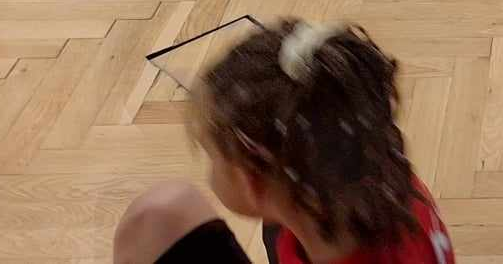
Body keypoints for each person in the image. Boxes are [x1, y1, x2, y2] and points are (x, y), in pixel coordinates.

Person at [111, 20, 452, 264]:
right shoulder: (371, 172)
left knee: (158, 217)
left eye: (212, 155)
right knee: (160, 213)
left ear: (252, 182)